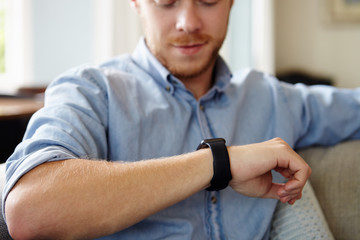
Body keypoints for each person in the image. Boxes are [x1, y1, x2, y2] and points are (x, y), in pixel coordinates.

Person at [2, 0, 360, 239]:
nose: (188, 22)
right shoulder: (92, 91)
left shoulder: (271, 98)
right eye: (167, 1)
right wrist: (220, 163)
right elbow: (28, 209)